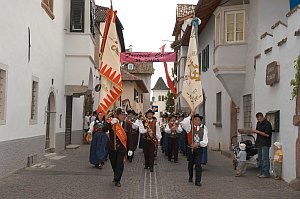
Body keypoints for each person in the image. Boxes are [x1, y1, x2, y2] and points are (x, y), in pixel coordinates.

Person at [101, 107, 133, 187]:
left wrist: (130, 148)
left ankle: (117, 180)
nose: (123, 116)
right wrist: (111, 123)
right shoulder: (112, 123)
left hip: (121, 148)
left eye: (124, 115)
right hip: (112, 147)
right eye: (121, 115)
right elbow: (103, 129)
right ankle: (116, 175)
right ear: (117, 116)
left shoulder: (127, 124)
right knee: (114, 163)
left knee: (120, 164)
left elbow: (130, 137)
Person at [182, 113, 208, 186]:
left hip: (198, 149)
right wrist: (190, 115)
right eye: (195, 119)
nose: (197, 121)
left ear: (200, 122)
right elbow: (184, 123)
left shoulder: (203, 130)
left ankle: (198, 181)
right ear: (192, 121)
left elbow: (205, 142)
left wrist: (198, 144)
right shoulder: (189, 128)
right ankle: (190, 176)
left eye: (198, 120)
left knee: (198, 165)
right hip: (190, 149)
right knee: (190, 164)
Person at [253, 112, 272, 178]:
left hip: (265, 143)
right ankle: (262, 172)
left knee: (265, 158)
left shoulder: (267, 124)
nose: (259, 121)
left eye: (260, 119)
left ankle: (266, 173)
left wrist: (258, 132)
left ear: (262, 117)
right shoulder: (258, 123)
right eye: (258, 119)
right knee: (260, 158)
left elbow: (267, 134)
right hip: (259, 142)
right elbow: (257, 131)